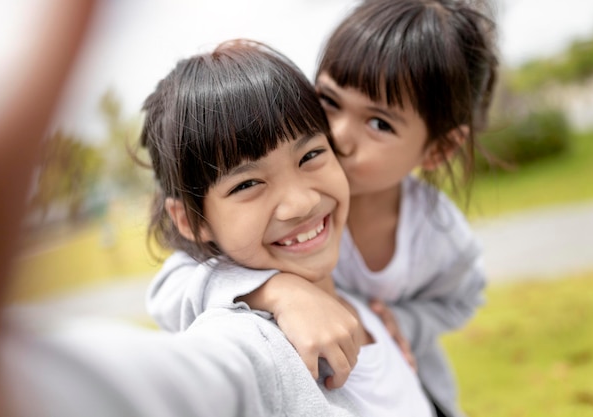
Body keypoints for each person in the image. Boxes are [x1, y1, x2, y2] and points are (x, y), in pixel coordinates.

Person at [146, 0, 499, 416]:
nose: (338, 134)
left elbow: (461, 299)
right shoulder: (298, 202)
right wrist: (278, 292)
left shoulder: (437, 234)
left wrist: (400, 324)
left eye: (380, 123)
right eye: (329, 102)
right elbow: (175, 292)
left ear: (438, 149)